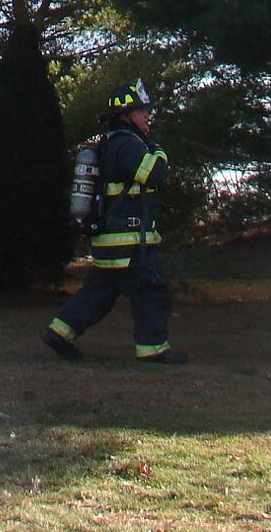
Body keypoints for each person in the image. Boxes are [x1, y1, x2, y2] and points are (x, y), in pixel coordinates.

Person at [44, 81, 188, 364]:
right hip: (129, 241)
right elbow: (152, 173)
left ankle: (59, 332)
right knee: (151, 291)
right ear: (125, 114)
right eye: (141, 110)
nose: (147, 115)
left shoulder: (109, 143)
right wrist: (160, 152)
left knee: (98, 293)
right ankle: (153, 348)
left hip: (109, 241)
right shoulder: (128, 144)